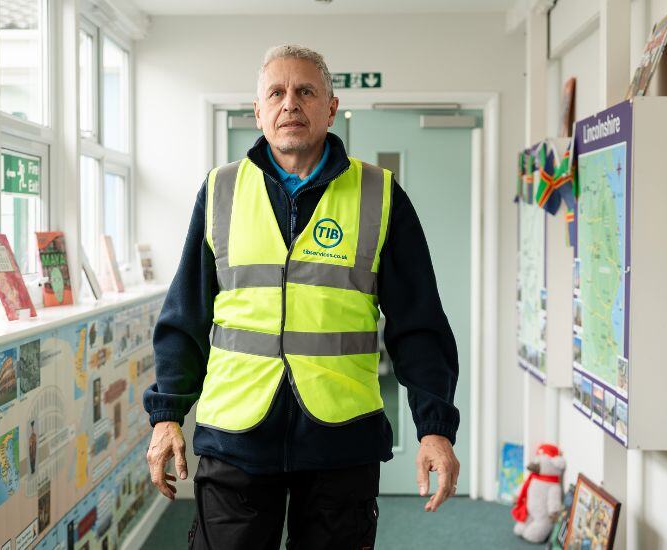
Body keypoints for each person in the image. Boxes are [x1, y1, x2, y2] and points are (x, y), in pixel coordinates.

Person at [144, 44, 461, 549]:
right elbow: (184, 316)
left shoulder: (380, 195)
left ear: (330, 107)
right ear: (258, 110)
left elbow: (419, 323)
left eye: (305, 91)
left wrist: (434, 426)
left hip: (342, 438)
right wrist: (166, 415)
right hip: (235, 435)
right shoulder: (220, 190)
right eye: (277, 92)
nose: (290, 103)